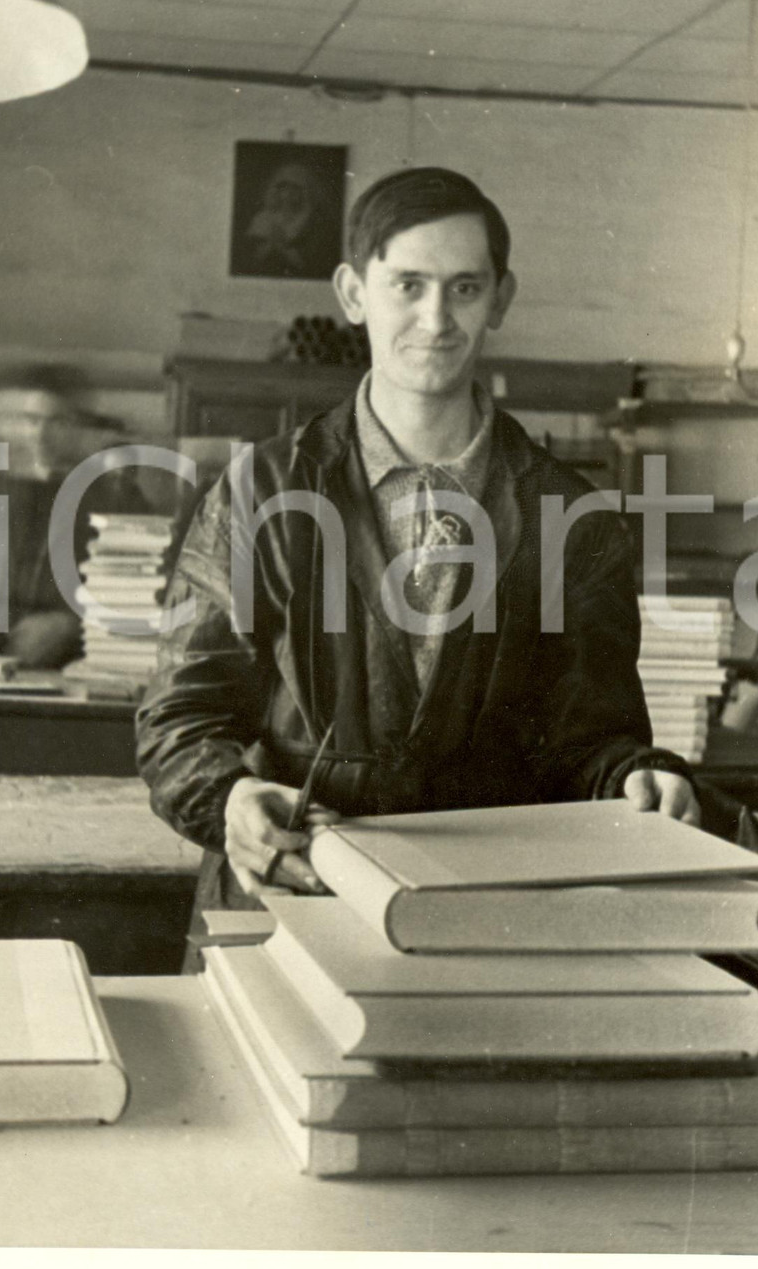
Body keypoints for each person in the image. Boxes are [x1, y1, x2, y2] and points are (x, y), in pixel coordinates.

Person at [137, 167, 700, 932]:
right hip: (287, 901)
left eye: (464, 288)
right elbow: (180, 720)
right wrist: (232, 796)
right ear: (351, 292)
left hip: (482, 916)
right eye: (408, 284)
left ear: (500, 297)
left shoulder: (569, 514)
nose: (436, 318)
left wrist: (641, 775)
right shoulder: (261, 489)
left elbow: (590, 740)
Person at [0, 362, 147, 668]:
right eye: (32, 420)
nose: (41, 435)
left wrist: (70, 624)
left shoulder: (115, 500)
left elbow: (144, 600)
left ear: (79, 427)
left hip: (79, 674)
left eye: (57, 421)